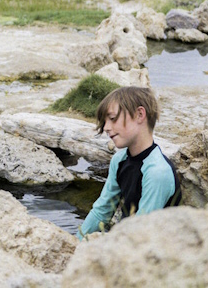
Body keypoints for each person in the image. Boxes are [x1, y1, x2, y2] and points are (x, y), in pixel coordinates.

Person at [77, 86, 181, 240]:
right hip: (128, 240)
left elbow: (141, 230)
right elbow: (102, 211)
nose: (106, 127)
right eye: (104, 121)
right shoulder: (119, 160)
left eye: (112, 119)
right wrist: (74, 243)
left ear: (140, 114)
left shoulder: (157, 172)